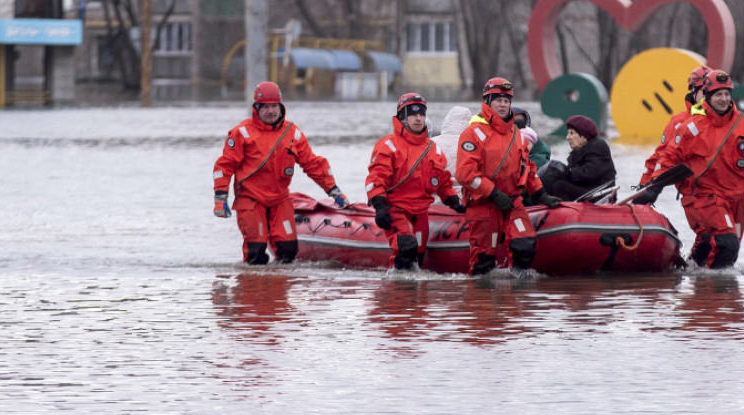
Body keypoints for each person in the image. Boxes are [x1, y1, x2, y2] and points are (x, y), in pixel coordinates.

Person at [637, 70, 744, 269]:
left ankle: (701, 283)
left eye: (727, 94)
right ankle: (713, 288)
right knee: (724, 243)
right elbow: (666, 157)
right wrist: (651, 187)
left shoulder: (742, 123)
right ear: (705, 95)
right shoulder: (690, 126)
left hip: (736, 196)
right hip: (706, 195)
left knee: (729, 251)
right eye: (718, 95)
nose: (723, 99)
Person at [212, 82, 348, 265]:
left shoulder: (292, 133)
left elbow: (313, 164)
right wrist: (220, 197)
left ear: (281, 107)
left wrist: (334, 191)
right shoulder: (242, 133)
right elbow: (224, 166)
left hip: (279, 199)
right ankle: (252, 290)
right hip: (251, 199)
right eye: (266, 107)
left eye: (274, 106)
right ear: (257, 108)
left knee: (289, 250)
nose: (271, 111)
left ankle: (277, 291)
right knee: (256, 253)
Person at [455, 77, 561, 276]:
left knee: (525, 245)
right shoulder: (473, 134)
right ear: (487, 101)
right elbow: (465, 173)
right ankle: (482, 303)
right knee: (483, 261)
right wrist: (493, 193)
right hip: (484, 206)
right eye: (498, 100)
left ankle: (517, 301)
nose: (503, 104)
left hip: (513, 203)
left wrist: (541, 194)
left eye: (506, 100)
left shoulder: (517, 134)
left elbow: (527, 169)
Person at [366, 93, 465, 270]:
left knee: (418, 253)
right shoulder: (388, 146)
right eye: (413, 114)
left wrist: (455, 202)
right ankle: (397, 292)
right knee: (405, 247)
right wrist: (380, 207)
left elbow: (442, 181)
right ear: (403, 117)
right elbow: (376, 178)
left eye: (421, 115)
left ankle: (415, 295)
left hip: (421, 212)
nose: (418, 118)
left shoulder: (432, 149)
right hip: (395, 210)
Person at [542, 114, 617, 201]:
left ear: (584, 136)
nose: (567, 137)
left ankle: (565, 212)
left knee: (560, 186)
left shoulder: (599, 146)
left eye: (571, 133)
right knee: (553, 182)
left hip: (600, 194)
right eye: (568, 133)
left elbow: (589, 174)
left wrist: (564, 172)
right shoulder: (574, 154)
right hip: (586, 191)